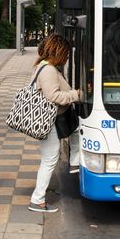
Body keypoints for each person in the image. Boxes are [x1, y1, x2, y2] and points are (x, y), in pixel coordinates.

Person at [29, 34, 82, 213]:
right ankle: (37, 200)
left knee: (77, 128)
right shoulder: (49, 70)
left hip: (51, 119)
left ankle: (75, 162)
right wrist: (77, 95)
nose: (67, 57)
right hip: (48, 121)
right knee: (49, 160)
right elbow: (54, 96)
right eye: (66, 53)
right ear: (58, 51)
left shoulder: (43, 67)